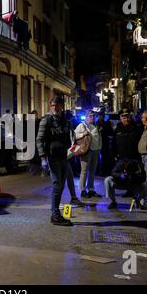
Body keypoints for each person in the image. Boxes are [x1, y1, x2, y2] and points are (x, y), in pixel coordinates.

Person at [36, 94, 73, 226]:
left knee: (61, 186)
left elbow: (69, 138)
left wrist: (72, 148)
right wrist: (42, 158)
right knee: (57, 185)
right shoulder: (46, 121)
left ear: (62, 106)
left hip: (64, 157)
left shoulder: (66, 121)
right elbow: (39, 140)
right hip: (53, 158)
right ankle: (55, 215)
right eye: (52, 105)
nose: (54, 107)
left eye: (57, 105)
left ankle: (56, 212)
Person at [113, 108, 143, 197]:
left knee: (133, 174)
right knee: (124, 174)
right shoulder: (118, 128)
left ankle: (134, 191)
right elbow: (114, 143)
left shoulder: (136, 127)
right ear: (121, 119)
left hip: (133, 155)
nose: (126, 119)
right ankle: (128, 190)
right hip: (122, 156)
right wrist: (114, 154)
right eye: (124, 118)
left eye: (128, 117)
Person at [75, 110, 102, 199]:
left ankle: (91, 189)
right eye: (90, 116)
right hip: (86, 151)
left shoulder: (96, 126)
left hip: (95, 150)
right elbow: (74, 135)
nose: (92, 117)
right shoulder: (82, 125)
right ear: (86, 117)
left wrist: (99, 148)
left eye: (94, 116)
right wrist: (83, 133)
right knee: (84, 171)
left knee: (92, 171)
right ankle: (82, 190)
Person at [97, 109, 114, 176]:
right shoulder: (96, 124)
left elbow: (111, 132)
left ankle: (104, 170)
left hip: (105, 143)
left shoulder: (106, 124)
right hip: (98, 144)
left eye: (103, 116)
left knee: (105, 157)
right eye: (101, 116)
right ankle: (99, 170)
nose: (102, 117)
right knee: (98, 159)